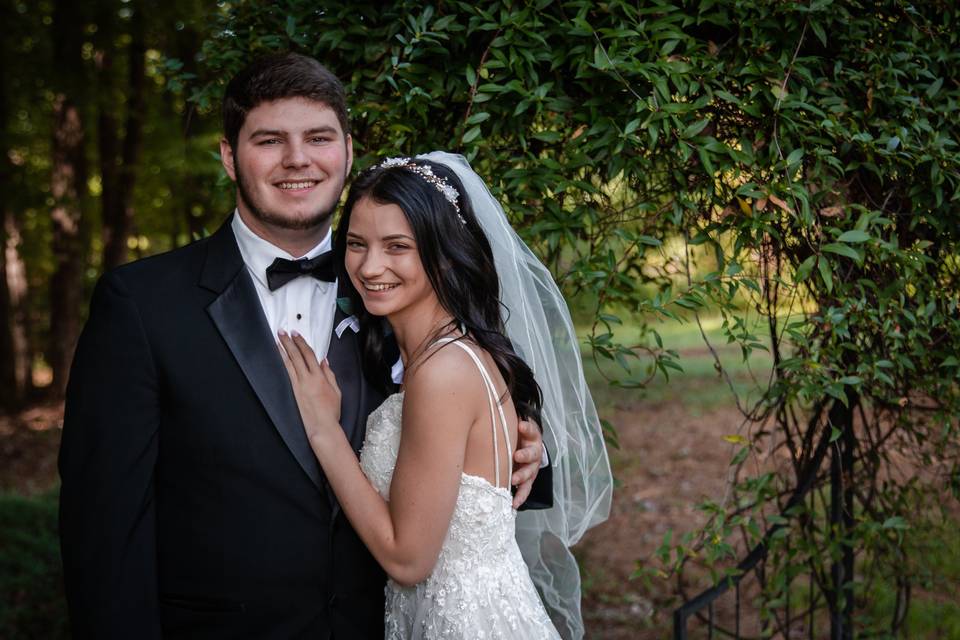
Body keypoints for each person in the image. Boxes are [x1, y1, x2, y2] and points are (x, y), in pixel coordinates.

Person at [57, 53, 549, 639]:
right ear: (228, 156)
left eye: (318, 137)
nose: (297, 158)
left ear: (346, 149)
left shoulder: (396, 287)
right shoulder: (141, 305)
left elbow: (470, 463)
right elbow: (105, 527)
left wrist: (520, 448)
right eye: (269, 140)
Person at [278, 152, 612, 639]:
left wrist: (324, 431)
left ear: (442, 251)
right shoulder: (447, 350)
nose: (371, 266)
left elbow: (408, 559)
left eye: (397, 246)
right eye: (355, 244)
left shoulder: (441, 370)